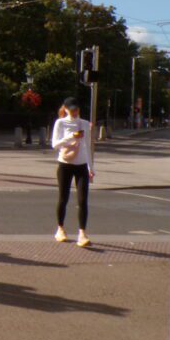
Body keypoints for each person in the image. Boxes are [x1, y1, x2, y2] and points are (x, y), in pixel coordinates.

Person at [52, 97, 94, 247]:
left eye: (76, 109)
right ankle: (60, 229)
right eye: (72, 109)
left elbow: (88, 146)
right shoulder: (60, 123)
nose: (75, 112)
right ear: (66, 109)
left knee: (83, 200)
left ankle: (82, 233)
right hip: (65, 164)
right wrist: (71, 137)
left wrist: (91, 167)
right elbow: (55, 145)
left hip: (81, 165)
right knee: (63, 198)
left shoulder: (83, 123)